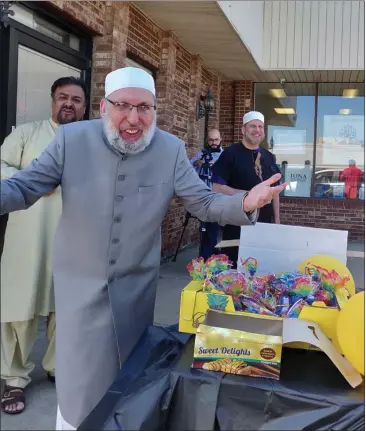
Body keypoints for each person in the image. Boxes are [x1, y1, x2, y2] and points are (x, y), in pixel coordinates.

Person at [0, 67, 286, 430]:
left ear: (155, 110)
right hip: (79, 288)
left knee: (129, 381)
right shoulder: (71, 140)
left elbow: (202, 201)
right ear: (103, 107)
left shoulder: (169, 148)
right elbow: (23, 187)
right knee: (79, 390)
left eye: (145, 108)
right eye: (123, 106)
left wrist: (246, 202)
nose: (133, 118)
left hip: (136, 291)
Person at [1, 76, 87, 415]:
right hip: (28, 239)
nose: (69, 103)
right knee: (18, 308)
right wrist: (30, 180)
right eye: (63, 97)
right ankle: (13, 378)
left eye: (76, 99)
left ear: (84, 105)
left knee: (67, 310)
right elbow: (1, 166)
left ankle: (57, 368)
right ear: (52, 100)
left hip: (75, 239)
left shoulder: (90, 140)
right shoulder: (25, 134)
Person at [212, 111, 281, 268]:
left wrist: (277, 223)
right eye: (252, 126)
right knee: (235, 272)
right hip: (237, 225)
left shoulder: (269, 157)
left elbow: (275, 192)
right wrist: (248, 196)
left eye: (260, 126)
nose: (257, 130)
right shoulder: (230, 154)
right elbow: (217, 187)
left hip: (264, 226)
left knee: (262, 270)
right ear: (243, 129)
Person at [190, 128, 223, 260]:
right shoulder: (201, 154)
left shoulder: (225, 156)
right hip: (203, 197)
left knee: (213, 228)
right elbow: (187, 167)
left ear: (221, 139)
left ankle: (210, 255)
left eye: (216, 139)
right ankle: (208, 256)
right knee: (209, 228)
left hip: (220, 197)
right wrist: (198, 164)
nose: (214, 142)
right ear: (207, 140)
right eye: (211, 140)